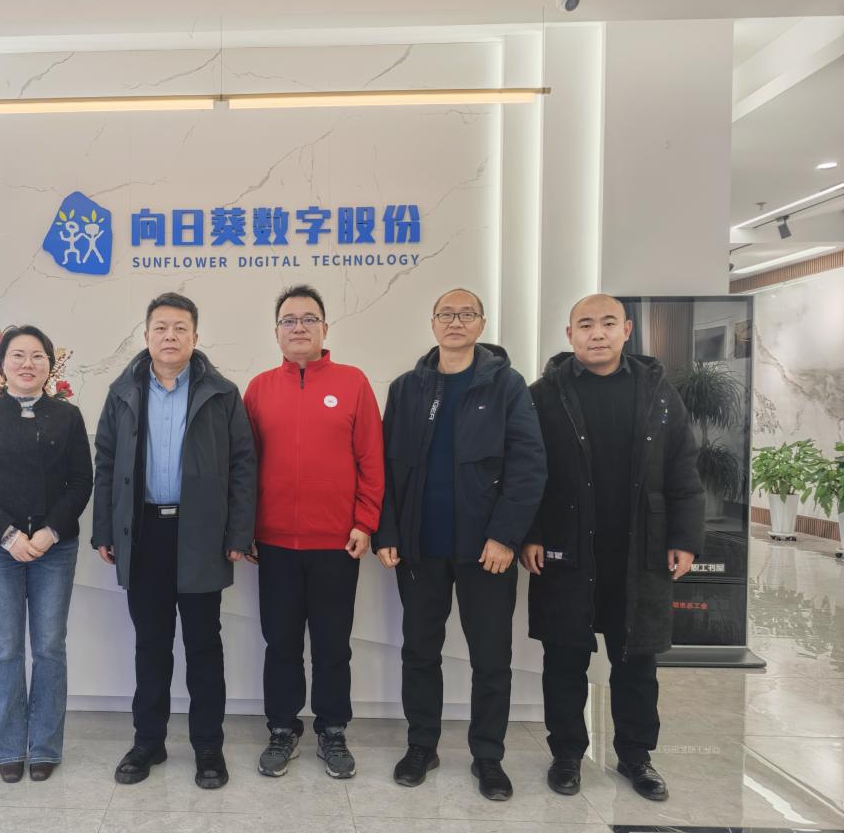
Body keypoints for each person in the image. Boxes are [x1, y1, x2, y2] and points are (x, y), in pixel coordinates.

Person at [520, 294, 704, 801]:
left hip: (639, 550)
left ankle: (636, 756)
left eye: (606, 323)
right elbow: (526, 472)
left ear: (626, 330)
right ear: (569, 334)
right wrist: (530, 533)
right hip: (565, 547)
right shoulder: (543, 395)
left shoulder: (659, 393)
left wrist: (684, 538)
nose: (596, 333)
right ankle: (566, 754)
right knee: (564, 658)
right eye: (585, 325)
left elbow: (683, 469)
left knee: (636, 660)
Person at [374, 288, 545, 800]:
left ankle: (488, 756)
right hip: (419, 548)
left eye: (466, 314)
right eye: (446, 314)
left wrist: (505, 536)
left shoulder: (507, 385)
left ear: (481, 323)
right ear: (433, 323)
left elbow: (529, 466)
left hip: (486, 551)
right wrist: (387, 532)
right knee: (419, 652)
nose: (455, 322)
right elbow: (385, 469)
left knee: (490, 658)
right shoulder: (406, 389)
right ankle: (421, 746)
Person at [91, 292, 256, 790]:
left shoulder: (222, 394)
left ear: (195, 336)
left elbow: (243, 466)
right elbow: (106, 462)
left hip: (200, 533)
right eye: (160, 328)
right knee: (151, 645)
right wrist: (105, 529)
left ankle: (208, 747)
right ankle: (148, 742)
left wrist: (239, 532)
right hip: (143, 532)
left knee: (204, 646)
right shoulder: (123, 392)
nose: (170, 336)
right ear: (146, 335)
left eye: (180, 328)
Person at [243, 284, 383, 780]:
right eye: (289, 320)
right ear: (276, 332)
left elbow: (372, 459)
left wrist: (365, 521)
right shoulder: (259, 389)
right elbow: (244, 466)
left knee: (332, 645)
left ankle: (333, 730)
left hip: (336, 543)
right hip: (274, 543)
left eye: (308, 319)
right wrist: (245, 528)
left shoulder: (353, 382)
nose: (298, 327)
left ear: (324, 327)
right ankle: (282, 729)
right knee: (280, 643)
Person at [0, 325, 92, 783]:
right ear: (1, 364)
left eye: (37, 355)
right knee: (6, 649)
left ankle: (46, 746)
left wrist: (50, 531)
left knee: (50, 647)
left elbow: (81, 481)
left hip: (56, 547)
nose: (27, 363)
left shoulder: (67, 416)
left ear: (50, 364)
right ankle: (10, 747)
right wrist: (9, 535)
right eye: (18, 355)